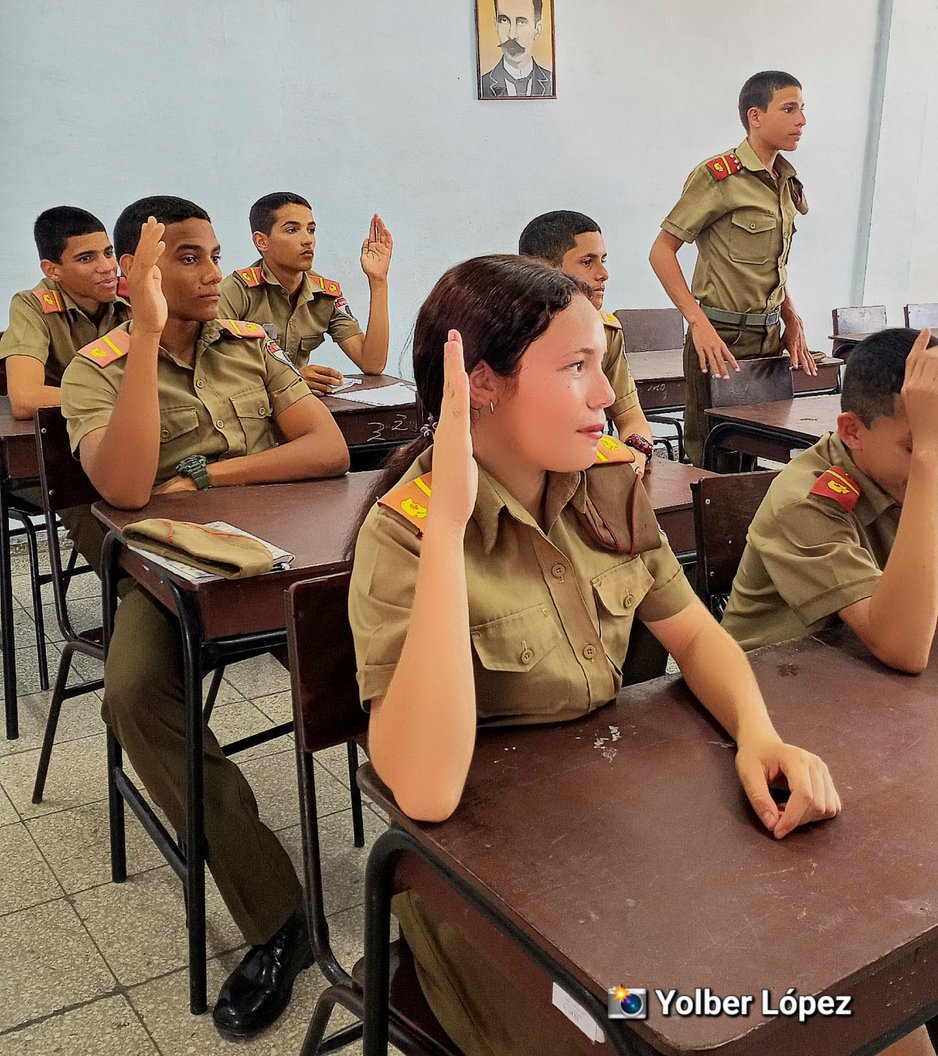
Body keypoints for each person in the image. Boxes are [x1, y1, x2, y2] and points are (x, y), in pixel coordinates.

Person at [348, 255, 840, 1056]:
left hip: (610, 824)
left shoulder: (606, 483)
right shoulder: (404, 535)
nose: (608, 394)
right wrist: (447, 532)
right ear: (482, 384)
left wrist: (758, 731)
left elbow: (694, 633)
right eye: (575, 368)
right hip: (479, 880)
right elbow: (429, 795)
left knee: (836, 999)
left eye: (600, 364)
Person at [60, 196, 349, 1037]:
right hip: (169, 567)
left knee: (369, 634)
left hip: (279, 554)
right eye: (188, 257)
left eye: (216, 254)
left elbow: (325, 448)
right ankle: (277, 918)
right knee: (136, 693)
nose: (215, 273)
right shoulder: (99, 366)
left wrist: (215, 474)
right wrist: (145, 336)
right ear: (142, 273)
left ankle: (444, 847)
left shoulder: (249, 346)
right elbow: (121, 489)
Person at [723, 328, 938, 667]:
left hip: (855, 671)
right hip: (771, 682)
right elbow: (903, 650)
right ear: (852, 431)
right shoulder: (805, 501)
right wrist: (927, 458)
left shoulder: (906, 472)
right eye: (914, 445)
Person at [648, 71, 817, 466]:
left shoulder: (785, 180)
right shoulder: (718, 176)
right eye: (789, 109)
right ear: (755, 116)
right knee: (715, 458)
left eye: (802, 109)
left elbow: (775, 264)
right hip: (720, 338)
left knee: (758, 453)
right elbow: (661, 251)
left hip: (768, 339)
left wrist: (792, 318)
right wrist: (697, 322)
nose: (802, 121)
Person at [217, 191, 392, 395]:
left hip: (298, 411)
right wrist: (292, 378)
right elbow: (214, 368)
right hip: (246, 413)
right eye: (292, 230)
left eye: (311, 230)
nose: (307, 240)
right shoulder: (237, 291)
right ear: (262, 241)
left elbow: (372, 363)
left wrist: (378, 281)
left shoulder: (325, 294)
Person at [519, 209, 654, 473]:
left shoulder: (604, 334)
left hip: (580, 467)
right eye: (587, 262)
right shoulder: (509, 334)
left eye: (603, 260)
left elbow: (631, 417)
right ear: (543, 268)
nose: (603, 273)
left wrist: (636, 453)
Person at [0, 206, 130, 419]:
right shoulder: (32, 305)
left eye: (108, 253)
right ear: (52, 270)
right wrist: (125, 399)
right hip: (65, 433)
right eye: (86, 258)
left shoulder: (132, 297)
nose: (107, 267)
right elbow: (25, 398)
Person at [480, 0, 553, 99]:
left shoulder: (552, 81)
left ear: (537, 29)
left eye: (521, 21)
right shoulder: (483, 85)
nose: (511, 34)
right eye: (504, 20)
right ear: (496, 25)